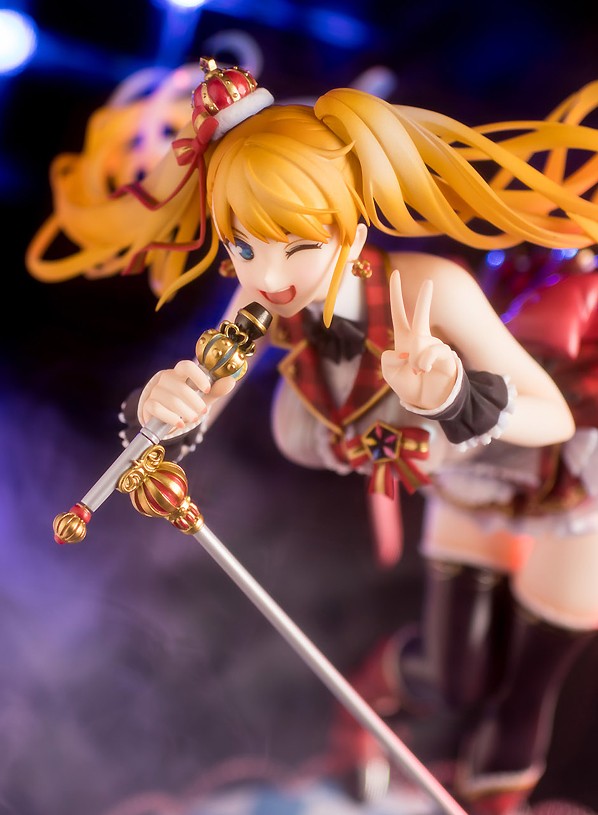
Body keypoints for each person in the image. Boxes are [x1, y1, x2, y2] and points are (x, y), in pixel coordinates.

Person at [26, 57, 598, 815]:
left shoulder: (432, 290)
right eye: (244, 247)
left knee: (525, 692)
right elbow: (201, 402)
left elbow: (554, 419)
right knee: (458, 677)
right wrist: (164, 407)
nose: (269, 275)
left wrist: (453, 394)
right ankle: (368, 705)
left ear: (351, 226)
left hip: (573, 483)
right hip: (468, 479)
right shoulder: (262, 301)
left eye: (297, 246)